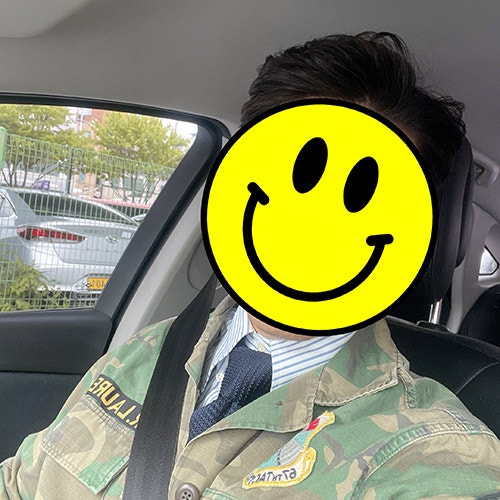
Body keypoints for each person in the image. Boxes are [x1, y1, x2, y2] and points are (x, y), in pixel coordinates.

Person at [1, 32, 499, 499]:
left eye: (361, 196)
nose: (312, 222)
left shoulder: (430, 449)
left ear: (417, 234)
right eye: (294, 177)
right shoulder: (146, 351)